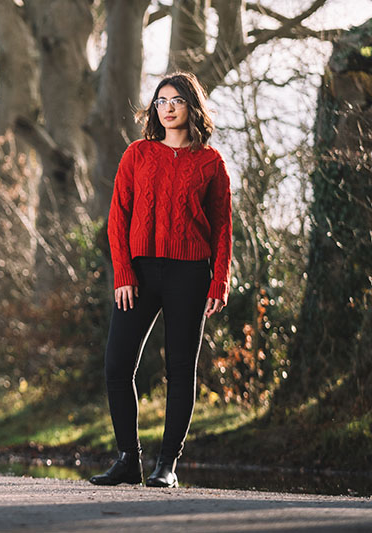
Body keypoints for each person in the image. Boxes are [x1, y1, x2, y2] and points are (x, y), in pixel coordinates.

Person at [89, 72, 232, 488]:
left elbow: (223, 227)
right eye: (161, 100)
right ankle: (127, 459)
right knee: (117, 365)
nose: (167, 107)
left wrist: (218, 281)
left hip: (190, 274)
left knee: (181, 368)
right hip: (140, 273)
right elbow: (118, 217)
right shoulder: (137, 154)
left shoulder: (211, 162)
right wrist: (124, 273)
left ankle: (166, 464)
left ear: (192, 106)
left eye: (176, 100)